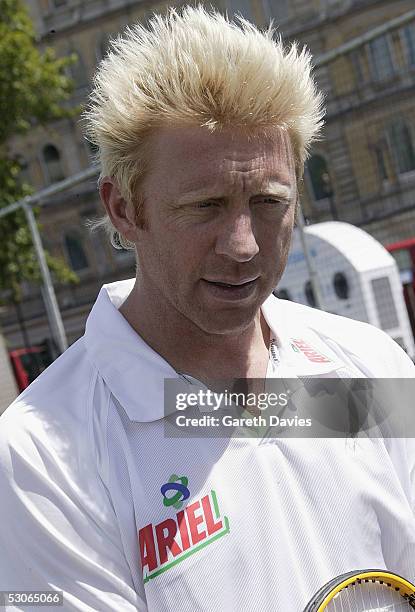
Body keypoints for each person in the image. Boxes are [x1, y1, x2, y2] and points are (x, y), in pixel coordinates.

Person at [0, 6, 414, 611]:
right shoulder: (40, 458)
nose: (243, 243)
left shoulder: (365, 367)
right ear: (124, 209)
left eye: (269, 201)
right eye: (206, 206)